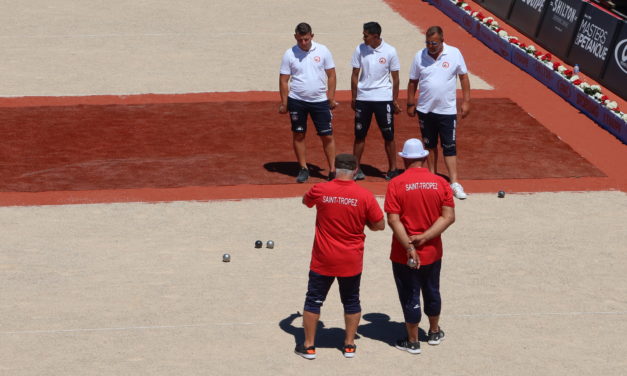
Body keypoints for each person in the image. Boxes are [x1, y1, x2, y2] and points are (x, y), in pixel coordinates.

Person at [296, 153, 385, 359]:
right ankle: (349, 345)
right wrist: (365, 222)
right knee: (352, 301)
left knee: (313, 301)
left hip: (322, 259)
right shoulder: (365, 196)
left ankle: (309, 346)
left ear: (335, 169)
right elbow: (379, 225)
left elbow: (305, 201)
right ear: (355, 170)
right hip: (351, 260)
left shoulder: (321, 189)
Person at [384, 138, 456, 355]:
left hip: (403, 252)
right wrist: (425, 237)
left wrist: (409, 245)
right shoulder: (440, 183)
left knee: (409, 293)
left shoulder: (396, 184)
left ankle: (412, 340)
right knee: (432, 289)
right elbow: (449, 217)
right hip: (433, 251)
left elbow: (393, 220)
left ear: (404, 159)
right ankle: (434, 332)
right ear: (425, 158)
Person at [407, 25, 471, 199]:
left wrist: (466, 101)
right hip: (425, 109)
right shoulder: (419, 56)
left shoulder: (454, 53)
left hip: (447, 110)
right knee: (429, 145)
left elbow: (463, 77)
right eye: (428, 43)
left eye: (434, 43)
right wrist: (410, 103)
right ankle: (432, 178)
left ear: (442, 40)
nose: (430, 46)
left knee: (449, 146)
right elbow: (413, 81)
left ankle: (454, 182)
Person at [279, 22, 338, 183]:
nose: (303, 43)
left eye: (306, 39)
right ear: (295, 37)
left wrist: (331, 97)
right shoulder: (289, 54)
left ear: (312, 36)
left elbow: (331, 75)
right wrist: (284, 103)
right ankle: (303, 168)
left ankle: (332, 169)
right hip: (297, 100)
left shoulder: (323, 50)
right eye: (300, 40)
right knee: (299, 134)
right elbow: (284, 80)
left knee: (327, 135)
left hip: (319, 100)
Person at [350, 21, 402, 181]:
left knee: (388, 134)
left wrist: (394, 100)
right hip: (364, 99)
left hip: (383, 99)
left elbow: (396, 78)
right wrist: (354, 97)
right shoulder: (360, 49)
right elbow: (354, 75)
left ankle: (393, 169)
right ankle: (356, 168)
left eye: (366, 36)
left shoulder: (390, 51)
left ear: (375, 36)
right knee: (359, 135)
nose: (363, 38)